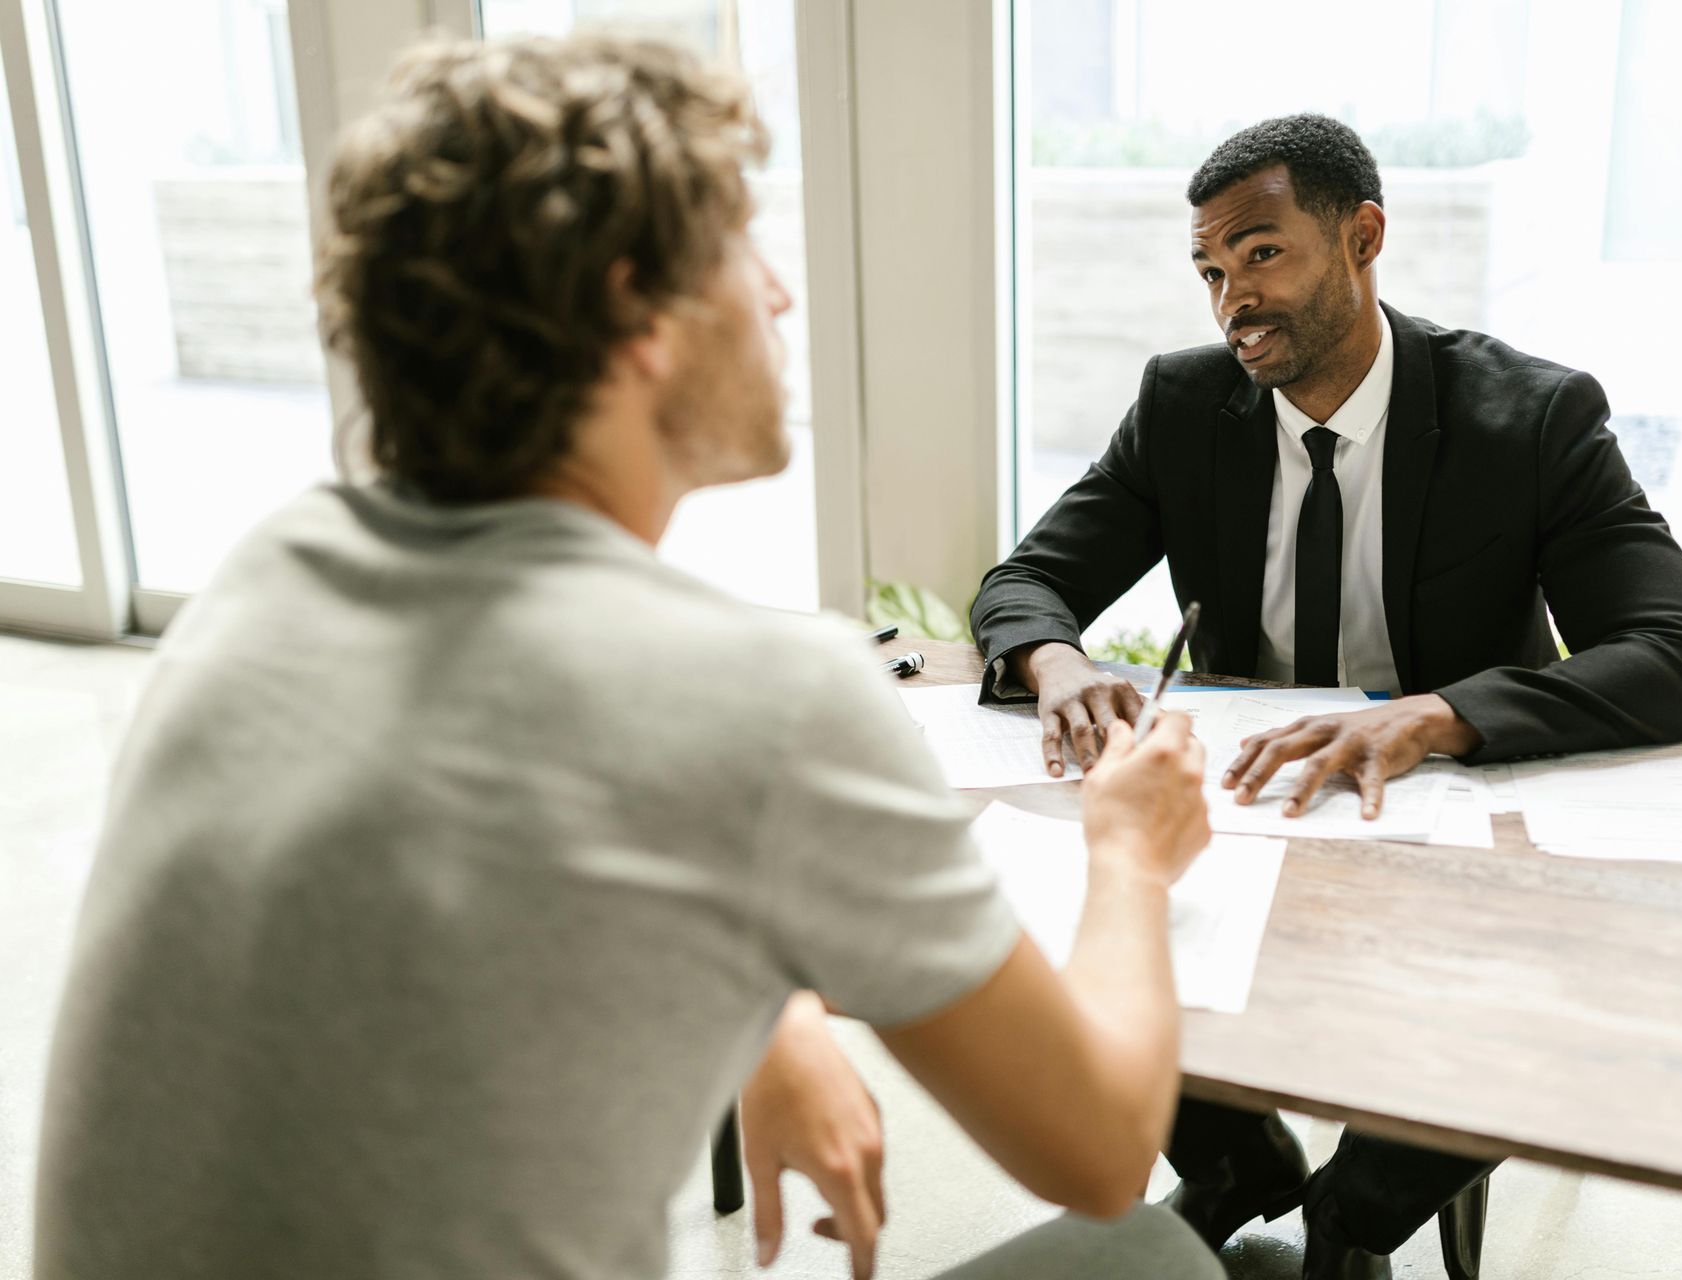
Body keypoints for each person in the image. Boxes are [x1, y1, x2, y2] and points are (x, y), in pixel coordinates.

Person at [32, 35, 1229, 1280]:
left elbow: (486, 856)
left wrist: (776, 1010)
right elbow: (1098, 1145)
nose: (776, 293)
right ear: (633, 312)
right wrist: (1128, 851)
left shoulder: (261, 577)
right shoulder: (765, 700)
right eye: (740, 245)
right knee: (1147, 1253)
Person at [970, 114, 1682, 1277]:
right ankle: (1232, 1161)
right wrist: (1059, 661)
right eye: (1212, 270)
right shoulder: (1185, 406)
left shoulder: (1528, 417)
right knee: (1065, 895)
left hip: (1437, 813)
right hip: (1247, 798)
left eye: (1263, 252)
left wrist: (1436, 711)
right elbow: (1029, 580)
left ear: (1363, 236)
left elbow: (1677, 654)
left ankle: (1353, 1218)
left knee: (1528, 982)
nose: (1233, 299)